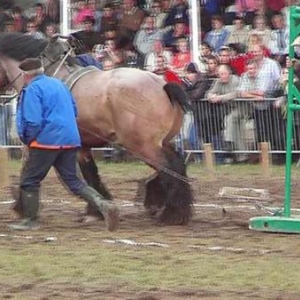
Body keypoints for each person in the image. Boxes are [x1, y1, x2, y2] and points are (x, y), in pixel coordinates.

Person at [10, 58, 119, 231]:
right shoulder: (60, 84)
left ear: (25, 75)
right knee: (74, 181)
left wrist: (28, 139)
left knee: (30, 180)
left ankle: (30, 220)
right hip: (70, 140)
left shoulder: (32, 89)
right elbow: (74, 110)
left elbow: (33, 120)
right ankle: (103, 204)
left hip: (45, 142)